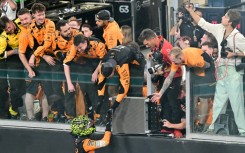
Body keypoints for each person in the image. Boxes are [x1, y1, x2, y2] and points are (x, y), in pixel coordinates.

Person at [185, 5, 245, 136]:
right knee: (218, 102)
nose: (222, 17)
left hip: (233, 72)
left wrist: (234, 54)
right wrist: (190, 11)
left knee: (237, 103)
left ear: (230, 22)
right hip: (221, 71)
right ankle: (212, 128)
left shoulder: (238, 37)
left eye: (225, 16)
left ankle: (243, 131)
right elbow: (202, 23)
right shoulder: (219, 29)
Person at [138, 28, 183, 135]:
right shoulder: (158, 44)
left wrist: (163, 70)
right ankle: (166, 126)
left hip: (174, 77)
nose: (147, 46)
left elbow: (178, 65)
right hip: (165, 76)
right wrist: (151, 53)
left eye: (147, 44)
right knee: (163, 101)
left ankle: (177, 128)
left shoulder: (166, 49)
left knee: (172, 103)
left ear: (153, 39)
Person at [19, 3, 56, 120]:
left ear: (31, 16)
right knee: (31, 90)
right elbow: (26, 50)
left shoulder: (49, 23)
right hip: (33, 64)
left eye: (26, 18)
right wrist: (30, 68)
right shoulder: (26, 31)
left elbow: (45, 44)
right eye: (21, 20)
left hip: (44, 61)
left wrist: (37, 55)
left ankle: (45, 117)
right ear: (34, 14)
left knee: (47, 89)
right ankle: (31, 118)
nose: (24, 21)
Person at [92, 43, 145, 122]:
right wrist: (100, 99)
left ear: (113, 70)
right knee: (115, 87)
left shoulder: (122, 65)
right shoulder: (103, 63)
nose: (108, 78)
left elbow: (124, 89)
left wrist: (114, 107)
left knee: (133, 90)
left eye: (109, 76)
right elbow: (101, 83)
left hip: (136, 62)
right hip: (119, 55)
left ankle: (136, 119)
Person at [63, 34, 107, 121]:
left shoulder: (98, 44)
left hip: (98, 63)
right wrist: (69, 83)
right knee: (70, 88)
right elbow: (66, 64)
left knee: (94, 89)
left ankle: (99, 117)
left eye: (80, 47)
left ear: (85, 42)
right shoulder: (74, 47)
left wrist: (95, 72)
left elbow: (104, 59)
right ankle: (70, 117)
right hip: (83, 63)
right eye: (77, 48)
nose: (79, 50)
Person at [0, 15, 26, 119]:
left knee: (19, 85)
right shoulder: (3, 36)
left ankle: (17, 108)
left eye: (8, 27)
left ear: (11, 22)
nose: (8, 30)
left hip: (24, 55)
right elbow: (0, 54)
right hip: (9, 59)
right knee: (4, 87)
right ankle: (8, 111)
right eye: (5, 29)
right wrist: (15, 51)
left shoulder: (20, 22)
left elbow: (27, 17)